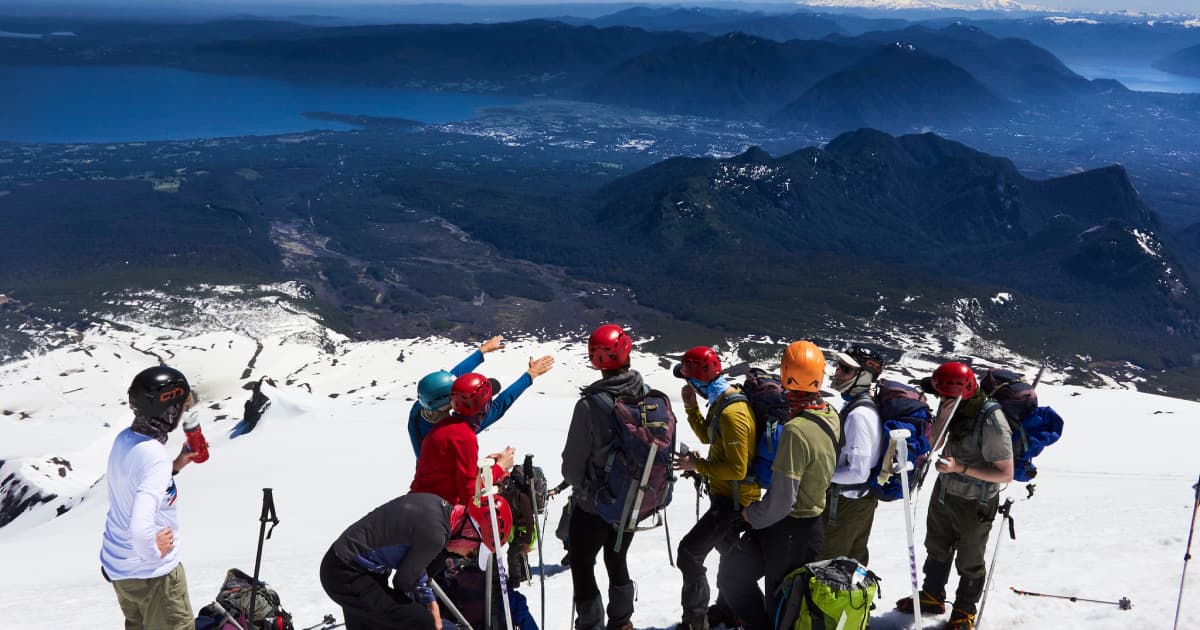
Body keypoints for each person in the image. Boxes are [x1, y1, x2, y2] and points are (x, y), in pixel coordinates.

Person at [716, 341, 841, 630]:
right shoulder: (830, 414)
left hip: (787, 528)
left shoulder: (796, 430)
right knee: (767, 593)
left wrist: (751, 515)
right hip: (805, 527)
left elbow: (783, 500)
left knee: (776, 602)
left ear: (786, 374)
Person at [896, 361, 1014, 630]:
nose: (941, 397)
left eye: (944, 394)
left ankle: (964, 611)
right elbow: (935, 443)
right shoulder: (955, 404)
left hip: (976, 501)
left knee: (970, 558)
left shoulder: (992, 421)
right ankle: (932, 595)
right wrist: (944, 412)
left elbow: (1005, 473)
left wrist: (961, 468)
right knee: (937, 544)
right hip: (946, 491)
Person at [100, 365, 203, 630]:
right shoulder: (154, 457)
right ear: (167, 409)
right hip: (153, 577)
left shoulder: (125, 440)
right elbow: (140, 526)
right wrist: (152, 550)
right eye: (180, 405)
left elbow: (137, 484)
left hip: (122, 570)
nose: (182, 411)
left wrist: (177, 465)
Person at [319, 492, 512, 630]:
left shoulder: (439, 509)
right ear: (470, 534)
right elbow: (403, 582)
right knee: (422, 622)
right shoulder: (437, 535)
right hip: (346, 574)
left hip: (349, 567)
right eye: (472, 552)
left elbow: (415, 564)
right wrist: (431, 604)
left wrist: (429, 600)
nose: (465, 556)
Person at [561, 323, 645, 630]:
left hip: (594, 505)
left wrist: (585, 488)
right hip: (633, 501)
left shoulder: (589, 406)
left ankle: (591, 625)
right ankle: (622, 623)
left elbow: (571, 467)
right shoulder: (647, 395)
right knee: (616, 558)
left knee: (583, 564)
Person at [671, 346, 758, 630]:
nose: (689, 386)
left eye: (689, 381)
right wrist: (690, 407)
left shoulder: (732, 412)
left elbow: (737, 469)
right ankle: (730, 610)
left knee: (689, 552)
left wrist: (698, 467)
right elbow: (709, 437)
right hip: (727, 495)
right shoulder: (721, 401)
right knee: (732, 557)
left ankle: (696, 622)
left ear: (699, 380)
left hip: (734, 501)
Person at [408, 336, 554, 458]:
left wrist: (481, 352)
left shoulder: (420, 408)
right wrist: (531, 375)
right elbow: (499, 406)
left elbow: (448, 380)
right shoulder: (461, 430)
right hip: (447, 489)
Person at [819, 346, 885, 566]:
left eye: (846, 369)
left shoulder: (859, 415)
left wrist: (821, 476)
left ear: (864, 376)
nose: (837, 372)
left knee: (827, 565)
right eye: (839, 367)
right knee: (850, 564)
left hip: (845, 504)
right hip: (857, 503)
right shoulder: (861, 408)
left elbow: (857, 472)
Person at [411, 373, 515, 506]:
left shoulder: (444, 427)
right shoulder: (464, 436)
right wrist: (500, 467)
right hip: (435, 513)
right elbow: (472, 497)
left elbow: (446, 475)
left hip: (419, 504)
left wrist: (480, 468)